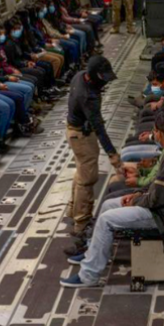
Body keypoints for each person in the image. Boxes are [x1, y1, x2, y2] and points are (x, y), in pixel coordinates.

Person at [60, 108, 164, 287]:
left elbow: (157, 199)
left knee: (106, 220)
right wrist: (138, 194)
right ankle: (94, 253)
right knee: (108, 205)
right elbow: (156, 190)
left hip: (162, 216)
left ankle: (88, 276)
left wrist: (136, 199)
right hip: (157, 205)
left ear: (159, 133)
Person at [66, 56, 123, 243]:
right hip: (82, 135)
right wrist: (113, 155)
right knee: (88, 178)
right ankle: (81, 224)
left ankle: (72, 209)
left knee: (81, 171)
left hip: (75, 131)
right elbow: (98, 127)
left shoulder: (80, 75)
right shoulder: (88, 96)